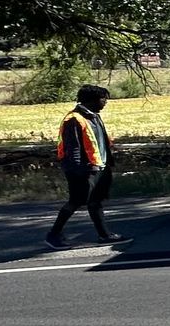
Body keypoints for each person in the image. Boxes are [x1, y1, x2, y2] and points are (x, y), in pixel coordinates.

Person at [47, 84, 127, 248]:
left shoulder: (94, 116)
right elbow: (73, 148)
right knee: (76, 201)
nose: (105, 102)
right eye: (103, 99)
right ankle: (53, 236)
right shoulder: (74, 119)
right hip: (83, 170)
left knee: (95, 201)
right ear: (92, 100)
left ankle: (105, 235)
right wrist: (79, 171)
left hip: (98, 166)